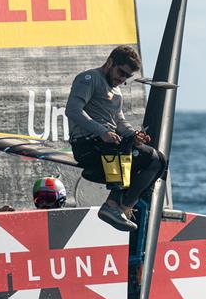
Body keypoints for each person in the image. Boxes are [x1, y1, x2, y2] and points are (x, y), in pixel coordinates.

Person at [66, 45, 166, 232]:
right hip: (88, 146)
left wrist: (134, 134)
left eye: (127, 76)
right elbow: (73, 110)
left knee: (158, 160)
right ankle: (112, 206)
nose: (122, 79)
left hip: (110, 145)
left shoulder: (116, 90)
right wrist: (102, 131)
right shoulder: (89, 79)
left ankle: (123, 207)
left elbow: (119, 121)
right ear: (110, 62)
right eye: (121, 72)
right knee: (132, 149)